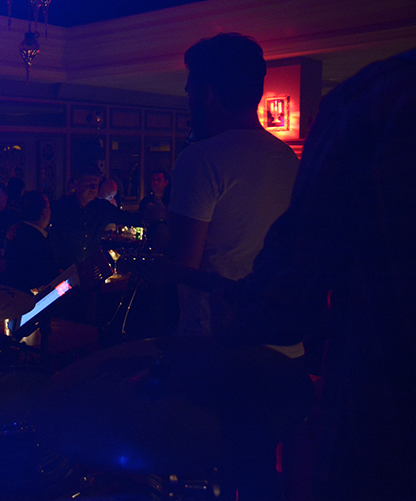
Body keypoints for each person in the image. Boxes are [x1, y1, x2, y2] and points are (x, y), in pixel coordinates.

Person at [210, 48, 416, 501]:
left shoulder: (377, 100)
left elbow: (291, 290)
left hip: (384, 416)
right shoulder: (289, 151)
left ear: (207, 95)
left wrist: (220, 333)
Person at [167, 34, 299, 339]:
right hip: (280, 339)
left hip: (217, 341)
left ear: (207, 95)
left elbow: (183, 265)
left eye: (189, 92)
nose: (188, 101)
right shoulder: (287, 157)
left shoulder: (200, 158)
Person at [49, 166, 141, 270]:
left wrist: (150, 217)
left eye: (96, 184)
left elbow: (127, 218)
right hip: (63, 270)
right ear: (76, 184)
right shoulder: (61, 206)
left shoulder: (102, 208)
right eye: (88, 183)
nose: (93, 188)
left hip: (90, 271)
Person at [4, 191, 59, 294]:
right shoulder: (40, 242)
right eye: (48, 207)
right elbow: (47, 277)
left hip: (15, 294)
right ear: (45, 212)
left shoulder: (15, 234)